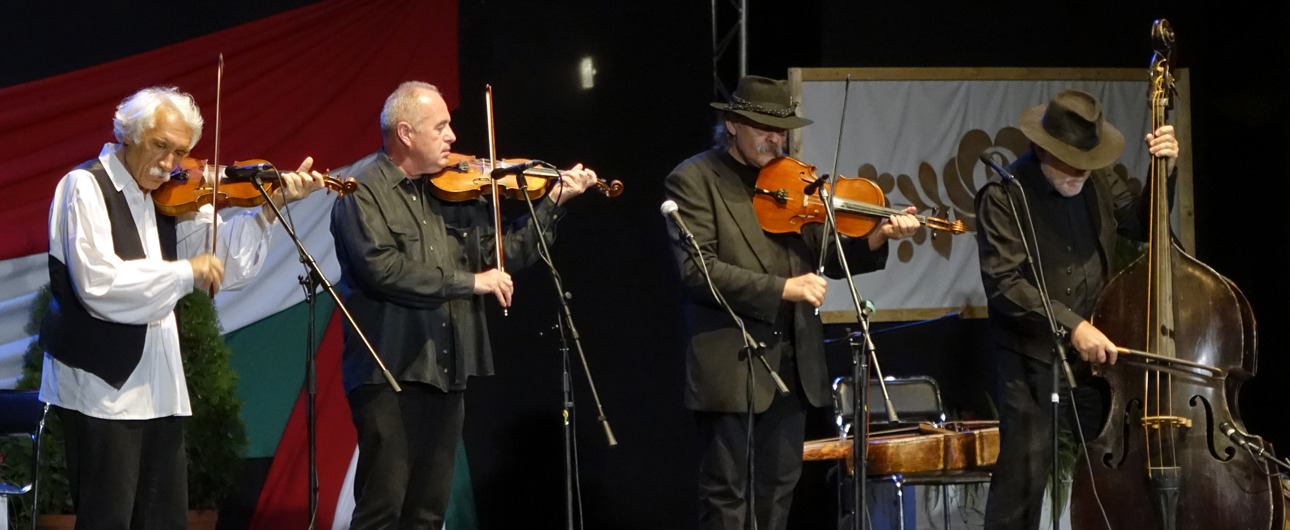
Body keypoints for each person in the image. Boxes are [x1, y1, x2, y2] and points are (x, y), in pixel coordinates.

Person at [38, 86, 326, 528]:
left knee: (165, 520)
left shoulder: (173, 194)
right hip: (101, 390)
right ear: (129, 134)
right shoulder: (84, 187)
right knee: (107, 520)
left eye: (180, 152)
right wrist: (184, 272)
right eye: (160, 146)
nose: (169, 163)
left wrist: (268, 212)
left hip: (159, 386)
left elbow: (225, 263)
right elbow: (98, 283)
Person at [329, 81, 600, 528]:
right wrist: (471, 282)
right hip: (388, 366)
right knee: (383, 507)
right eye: (440, 127)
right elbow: (383, 269)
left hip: (448, 364)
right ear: (405, 133)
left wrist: (554, 202)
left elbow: (502, 254)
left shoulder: (456, 189)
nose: (452, 136)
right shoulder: (361, 189)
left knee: (428, 511)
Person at [663, 75, 920, 530]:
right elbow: (698, 271)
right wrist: (783, 288)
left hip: (794, 365)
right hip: (731, 363)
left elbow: (829, 257)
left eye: (780, 130)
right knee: (726, 496)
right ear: (732, 125)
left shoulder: (794, 181)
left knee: (777, 494)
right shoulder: (694, 179)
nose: (774, 139)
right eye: (763, 128)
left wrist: (878, 236)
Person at [974, 89, 1179, 529]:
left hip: (1093, 364)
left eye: (1087, 162)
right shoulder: (1003, 195)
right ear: (1042, 148)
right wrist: (1073, 326)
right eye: (1070, 162)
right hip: (1031, 362)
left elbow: (1143, 225)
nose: (1081, 172)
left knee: (1116, 474)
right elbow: (1005, 284)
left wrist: (1164, 170)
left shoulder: (1097, 180)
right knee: (1021, 489)